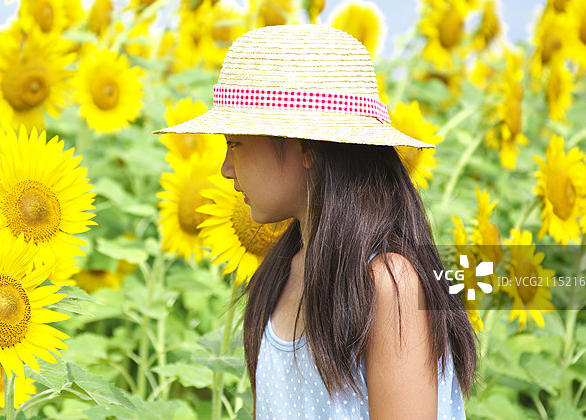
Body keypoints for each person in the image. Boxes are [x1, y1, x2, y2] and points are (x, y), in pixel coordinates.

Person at [155, 24, 477, 419]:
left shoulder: (391, 283)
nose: (225, 168)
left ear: (305, 147)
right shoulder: (278, 273)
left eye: (234, 143)